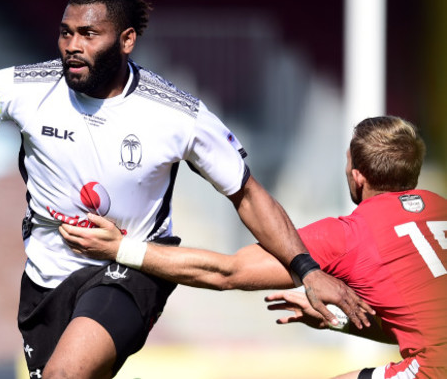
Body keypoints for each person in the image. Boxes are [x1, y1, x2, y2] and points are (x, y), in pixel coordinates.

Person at [0, 0, 371, 379]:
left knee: (64, 373)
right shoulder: (19, 87)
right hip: (47, 275)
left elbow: (247, 195)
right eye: (66, 32)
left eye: (88, 34)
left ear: (126, 40)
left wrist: (304, 269)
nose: (72, 46)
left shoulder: (177, 114)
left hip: (133, 267)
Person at [59, 115, 447, 379]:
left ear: (357, 176)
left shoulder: (347, 235)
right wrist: (342, 321)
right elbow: (423, 331)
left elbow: (227, 272)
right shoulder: (440, 208)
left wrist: (121, 249)